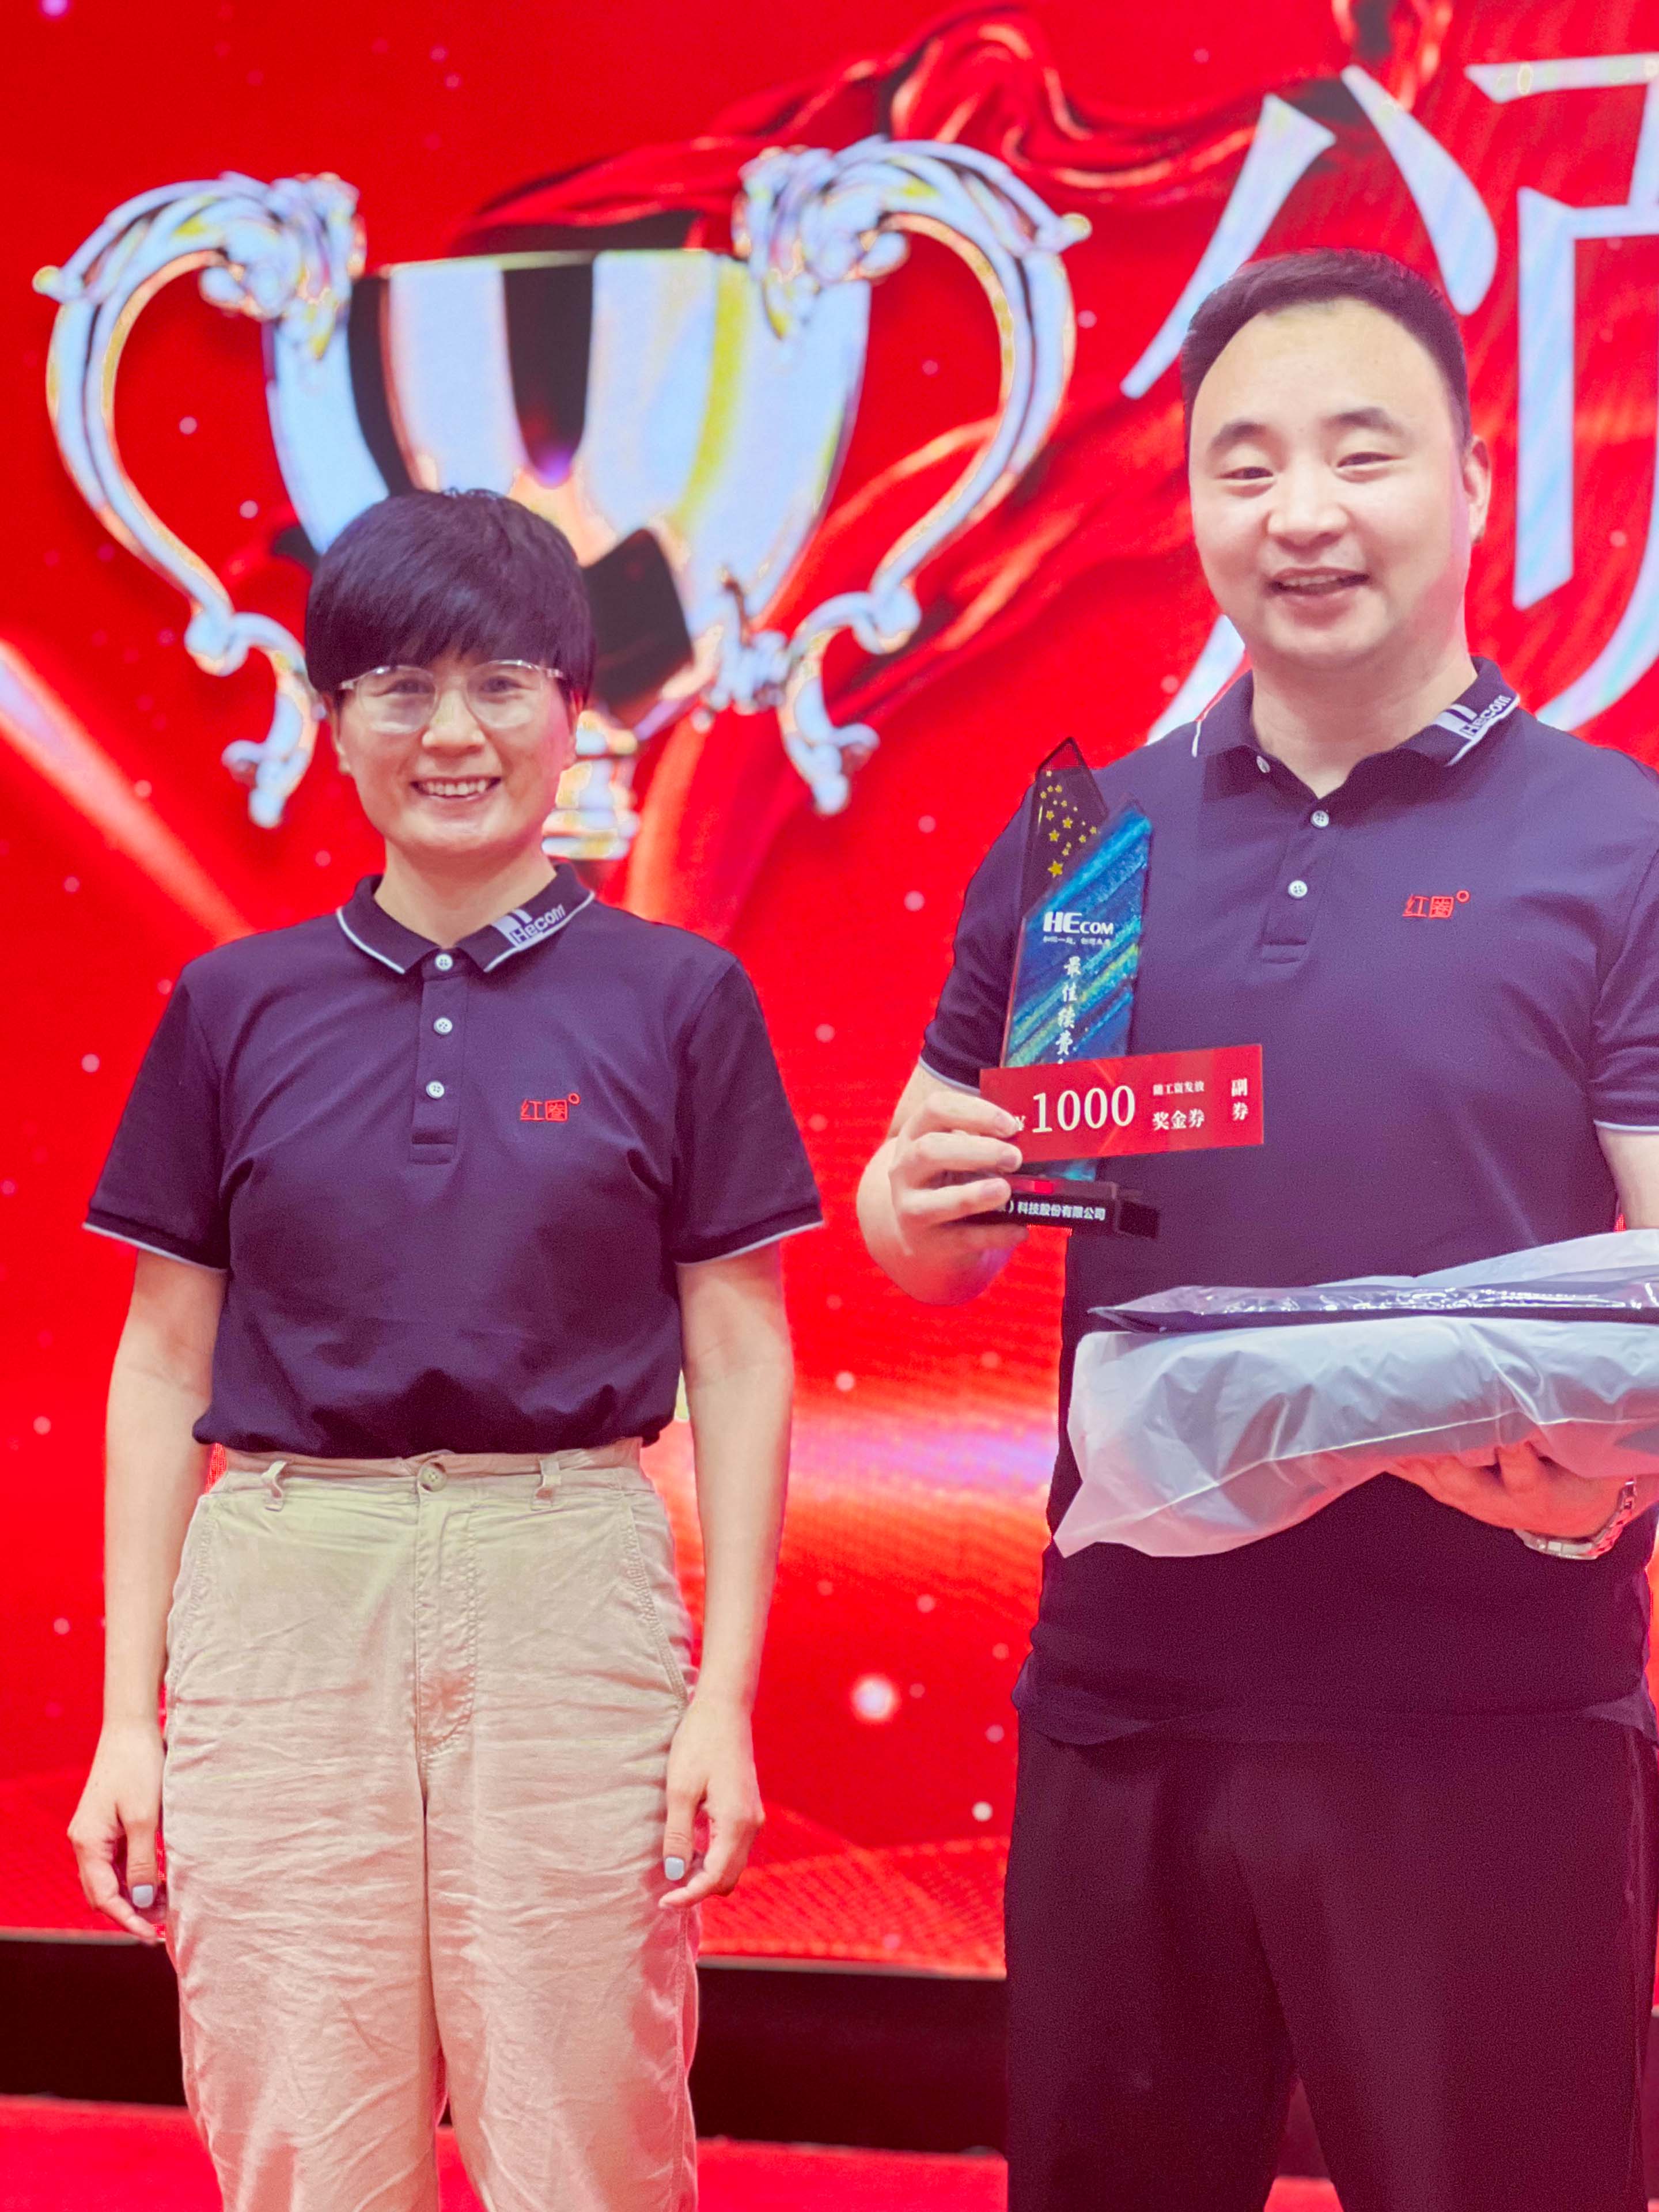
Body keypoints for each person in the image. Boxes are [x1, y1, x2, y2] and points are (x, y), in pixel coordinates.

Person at [859, 249, 1659, 2212]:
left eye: (1360, 455)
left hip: (1490, 1702)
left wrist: (1604, 1483)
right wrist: (906, 1203)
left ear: (1472, 481)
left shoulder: (1615, 841)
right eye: (1246, 465)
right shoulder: (1089, 844)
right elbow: (950, 1226)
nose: (1302, 512)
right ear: (1198, 507)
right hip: (1133, 1700)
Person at [69, 489, 821, 2212]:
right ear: (332, 722)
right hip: (283, 1587)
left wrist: (725, 1699)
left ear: (576, 707)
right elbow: (160, 1364)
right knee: (302, 2138)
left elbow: (741, 1353)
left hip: (568, 1576)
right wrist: (128, 1719)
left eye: (499, 683)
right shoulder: (233, 1006)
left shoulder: (680, 1000)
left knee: (588, 2138)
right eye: (399, 687)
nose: (453, 733)